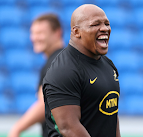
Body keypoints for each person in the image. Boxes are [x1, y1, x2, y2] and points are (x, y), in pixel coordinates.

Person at [43, 4, 121, 137]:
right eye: (95, 24)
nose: (104, 28)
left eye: (107, 23)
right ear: (76, 32)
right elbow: (69, 128)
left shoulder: (108, 65)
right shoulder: (64, 70)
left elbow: (111, 116)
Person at [8, 14, 64, 137]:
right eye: (33, 33)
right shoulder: (65, 60)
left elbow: (45, 102)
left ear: (57, 33)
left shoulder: (55, 63)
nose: (34, 38)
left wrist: (17, 128)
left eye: (40, 33)